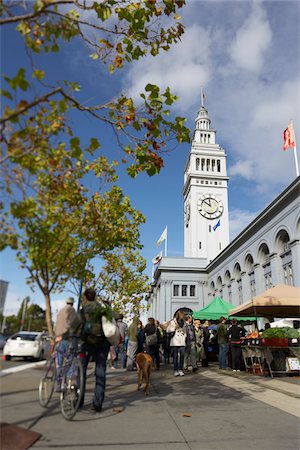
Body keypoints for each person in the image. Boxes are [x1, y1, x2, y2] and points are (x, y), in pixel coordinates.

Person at [69, 288, 110, 412]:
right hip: (102, 344)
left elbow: (73, 327)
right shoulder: (102, 309)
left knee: (81, 371)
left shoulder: (82, 311)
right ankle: (97, 403)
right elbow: (115, 317)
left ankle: (79, 401)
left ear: (85, 297)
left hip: (86, 344)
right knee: (100, 371)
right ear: (95, 297)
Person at [54, 297, 77, 374]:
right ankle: (69, 375)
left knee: (60, 355)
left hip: (58, 336)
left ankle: (59, 373)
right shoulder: (72, 310)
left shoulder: (61, 310)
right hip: (67, 336)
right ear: (73, 303)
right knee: (72, 355)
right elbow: (73, 323)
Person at [166, 310, 187, 377]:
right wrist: (174, 328)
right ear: (179, 315)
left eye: (183, 315)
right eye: (182, 315)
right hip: (175, 340)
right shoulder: (173, 321)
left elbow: (186, 330)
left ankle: (180, 369)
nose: (183, 316)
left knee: (182, 356)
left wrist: (184, 335)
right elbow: (168, 330)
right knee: (175, 357)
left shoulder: (184, 322)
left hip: (182, 341)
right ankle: (175, 370)